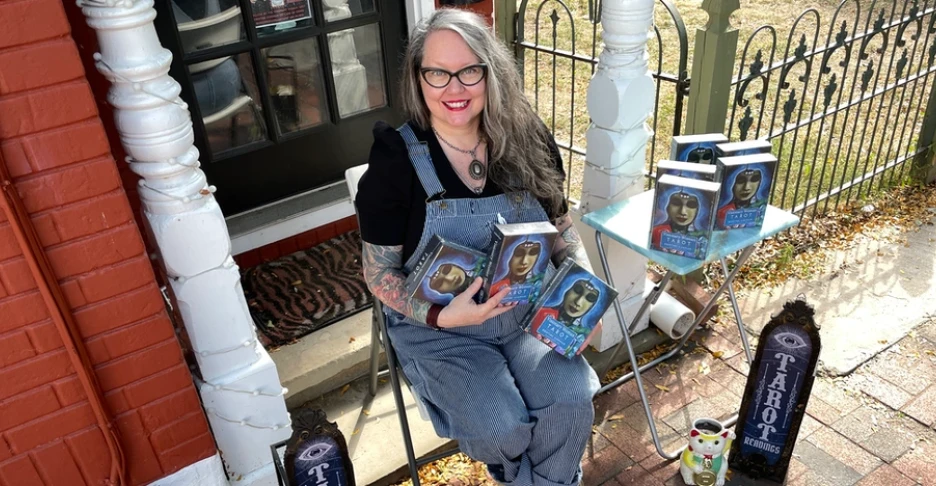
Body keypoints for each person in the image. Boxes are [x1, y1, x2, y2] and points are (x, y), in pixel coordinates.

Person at [356, 8, 600, 486]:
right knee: (502, 427)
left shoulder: (525, 139)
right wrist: (443, 316)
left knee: (571, 403)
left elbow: (561, 229)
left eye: (470, 71)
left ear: (491, 73)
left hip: (528, 314)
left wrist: (584, 305)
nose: (454, 88)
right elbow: (378, 273)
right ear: (417, 78)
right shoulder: (396, 160)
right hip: (440, 333)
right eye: (437, 73)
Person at [528, 279, 600, 356]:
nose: (578, 302)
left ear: (594, 305)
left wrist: (597, 320)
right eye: (577, 290)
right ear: (566, 288)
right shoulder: (543, 313)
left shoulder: (581, 334)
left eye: (590, 298)